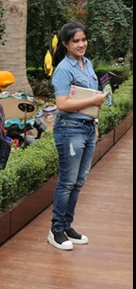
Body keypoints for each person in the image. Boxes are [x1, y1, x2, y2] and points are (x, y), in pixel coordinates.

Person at [48, 21, 108, 251]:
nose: (81, 44)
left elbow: (90, 96)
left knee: (79, 181)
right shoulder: (64, 69)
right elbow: (62, 103)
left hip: (87, 128)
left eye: (83, 39)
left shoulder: (88, 64)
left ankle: (66, 226)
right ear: (66, 44)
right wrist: (94, 101)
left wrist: (95, 120)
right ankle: (55, 230)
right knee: (67, 182)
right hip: (69, 130)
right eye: (76, 41)